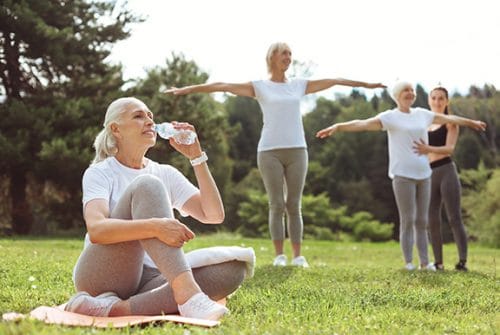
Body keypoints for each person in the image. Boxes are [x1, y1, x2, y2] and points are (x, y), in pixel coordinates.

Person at [166, 42, 385, 268]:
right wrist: (188, 89)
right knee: (276, 204)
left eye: (290, 54)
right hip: (269, 151)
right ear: (272, 57)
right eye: (284, 53)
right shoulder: (260, 86)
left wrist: (367, 84)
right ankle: (279, 255)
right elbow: (224, 86)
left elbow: (336, 80)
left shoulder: (299, 85)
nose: (288, 57)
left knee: (294, 203)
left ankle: (298, 256)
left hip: (298, 150)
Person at [64, 97, 249, 321]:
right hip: (104, 275)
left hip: (153, 278)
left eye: (150, 115)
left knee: (233, 268)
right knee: (147, 186)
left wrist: (197, 157)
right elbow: (97, 230)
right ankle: (188, 296)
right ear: (116, 129)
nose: (149, 121)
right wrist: (155, 227)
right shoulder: (100, 172)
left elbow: (213, 215)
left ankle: (115, 309)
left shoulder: (166, 173)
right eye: (139, 116)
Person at [316, 81, 486, 271]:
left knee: (422, 221)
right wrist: (339, 126)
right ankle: (409, 263)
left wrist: (471, 122)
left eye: (412, 90)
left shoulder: (422, 115)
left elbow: (451, 119)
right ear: (397, 95)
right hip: (402, 175)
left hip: (424, 174)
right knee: (408, 220)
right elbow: (363, 124)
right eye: (406, 90)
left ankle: (424, 262)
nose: (410, 93)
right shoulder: (390, 117)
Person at [412, 86, 469, 271]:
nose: (437, 101)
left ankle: (462, 261)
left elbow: (449, 149)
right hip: (428, 173)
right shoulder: (423, 124)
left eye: (441, 98)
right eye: (434, 98)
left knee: (454, 218)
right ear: (429, 100)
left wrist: (429, 149)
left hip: (446, 170)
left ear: (446, 101)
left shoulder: (451, 123)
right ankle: (438, 262)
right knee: (432, 219)